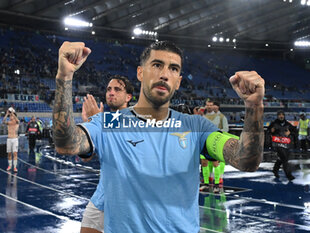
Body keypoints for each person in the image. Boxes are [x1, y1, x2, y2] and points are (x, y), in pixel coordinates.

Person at [53, 41, 265, 232]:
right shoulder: (112, 122)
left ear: (179, 81)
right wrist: (64, 78)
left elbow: (245, 160)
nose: (165, 74)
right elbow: (67, 144)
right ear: (140, 73)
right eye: (157, 65)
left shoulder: (196, 126)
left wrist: (254, 106)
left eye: (173, 69)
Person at [80, 75, 134, 233]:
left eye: (117, 89)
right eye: (109, 89)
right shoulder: (104, 120)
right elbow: (87, 156)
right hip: (101, 200)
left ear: (128, 97)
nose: (111, 92)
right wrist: (89, 125)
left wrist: (97, 120)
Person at [267, 110, 297, 181]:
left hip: (285, 144)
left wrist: (290, 132)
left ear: (284, 116)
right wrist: (271, 131)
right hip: (277, 144)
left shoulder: (288, 124)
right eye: (279, 115)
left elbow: (295, 131)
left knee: (281, 159)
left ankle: (275, 170)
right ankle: (289, 175)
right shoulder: (273, 124)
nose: (281, 116)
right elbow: (268, 132)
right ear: (277, 116)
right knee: (284, 159)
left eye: (282, 115)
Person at [4, 107, 20, 172]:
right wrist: (6, 114)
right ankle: (10, 166)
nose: (10, 117)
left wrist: (13, 113)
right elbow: (3, 121)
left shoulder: (16, 122)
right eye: (10, 116)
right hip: (9, 139)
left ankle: (15, 167)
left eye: (11, 116)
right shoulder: (9, 122)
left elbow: (17, 121)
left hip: (15, 139)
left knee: (15, 153)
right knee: (9, 153)